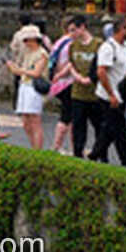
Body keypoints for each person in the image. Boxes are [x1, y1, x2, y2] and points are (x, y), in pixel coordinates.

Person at [91, 18, 126, 166]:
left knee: (109, 129)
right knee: (119, 130)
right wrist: (111, 94)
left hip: (122, 93)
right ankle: (125, 161)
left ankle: (95, 154)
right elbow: (101, 71)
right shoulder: (108, 47)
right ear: (122, 29)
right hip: (108, 95)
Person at [6, 24, 48, 149]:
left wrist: (19, 70)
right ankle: (33, 146)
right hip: (24, 85)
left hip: (33, 87)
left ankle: (37, 150)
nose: (25, 43)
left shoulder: (42, 53)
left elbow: (36, 72)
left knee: (35, 120)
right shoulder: (28, 52)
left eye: (26, 40)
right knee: (26, 121)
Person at [66, 17, 102, 159]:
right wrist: (78, 77)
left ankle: (99, 154)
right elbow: (70, 64)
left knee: (99, 126)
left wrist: (90, 79)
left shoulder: (98, 44)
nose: (71, 34)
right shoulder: (72, 46)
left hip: (95, 93)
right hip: (78, 93)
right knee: (78, 127)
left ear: (83, 27)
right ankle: (78, 154)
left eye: (73, 30)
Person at [48, 19, 77, 155]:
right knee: (67, 116)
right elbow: (68, 65)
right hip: (67, 82)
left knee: (70, 115)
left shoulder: (59, 42)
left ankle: (71, 146)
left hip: (57, 84)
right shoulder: (71, 44)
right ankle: (58, 146)